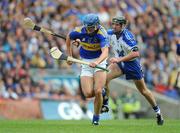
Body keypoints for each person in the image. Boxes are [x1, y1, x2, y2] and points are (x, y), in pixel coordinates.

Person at [104, 16, 164, 125]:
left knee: (143, 91)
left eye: (117, 25)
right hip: (119, 64)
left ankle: (158, 112)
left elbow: (136, 53)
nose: (114, 26)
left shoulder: (127, 36)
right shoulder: (109, 33)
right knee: (104, 78)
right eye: (113, 24)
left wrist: (118, 59)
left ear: (123, 26)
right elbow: (98, 39)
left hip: (132, 64)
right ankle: (105, 104)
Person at [66, 13, 109, 125]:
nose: (89, 30)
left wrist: (97, 62)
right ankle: (102, 92)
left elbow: (105, 52)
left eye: (91, 27)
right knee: (88, 94)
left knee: (98, 90)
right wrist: (69, 55)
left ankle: (96, 118)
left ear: (97, 25)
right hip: (84, 61)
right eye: (87, 27)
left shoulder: (102, 33)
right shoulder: (79, 31)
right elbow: (68, 37)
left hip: (99, 60)